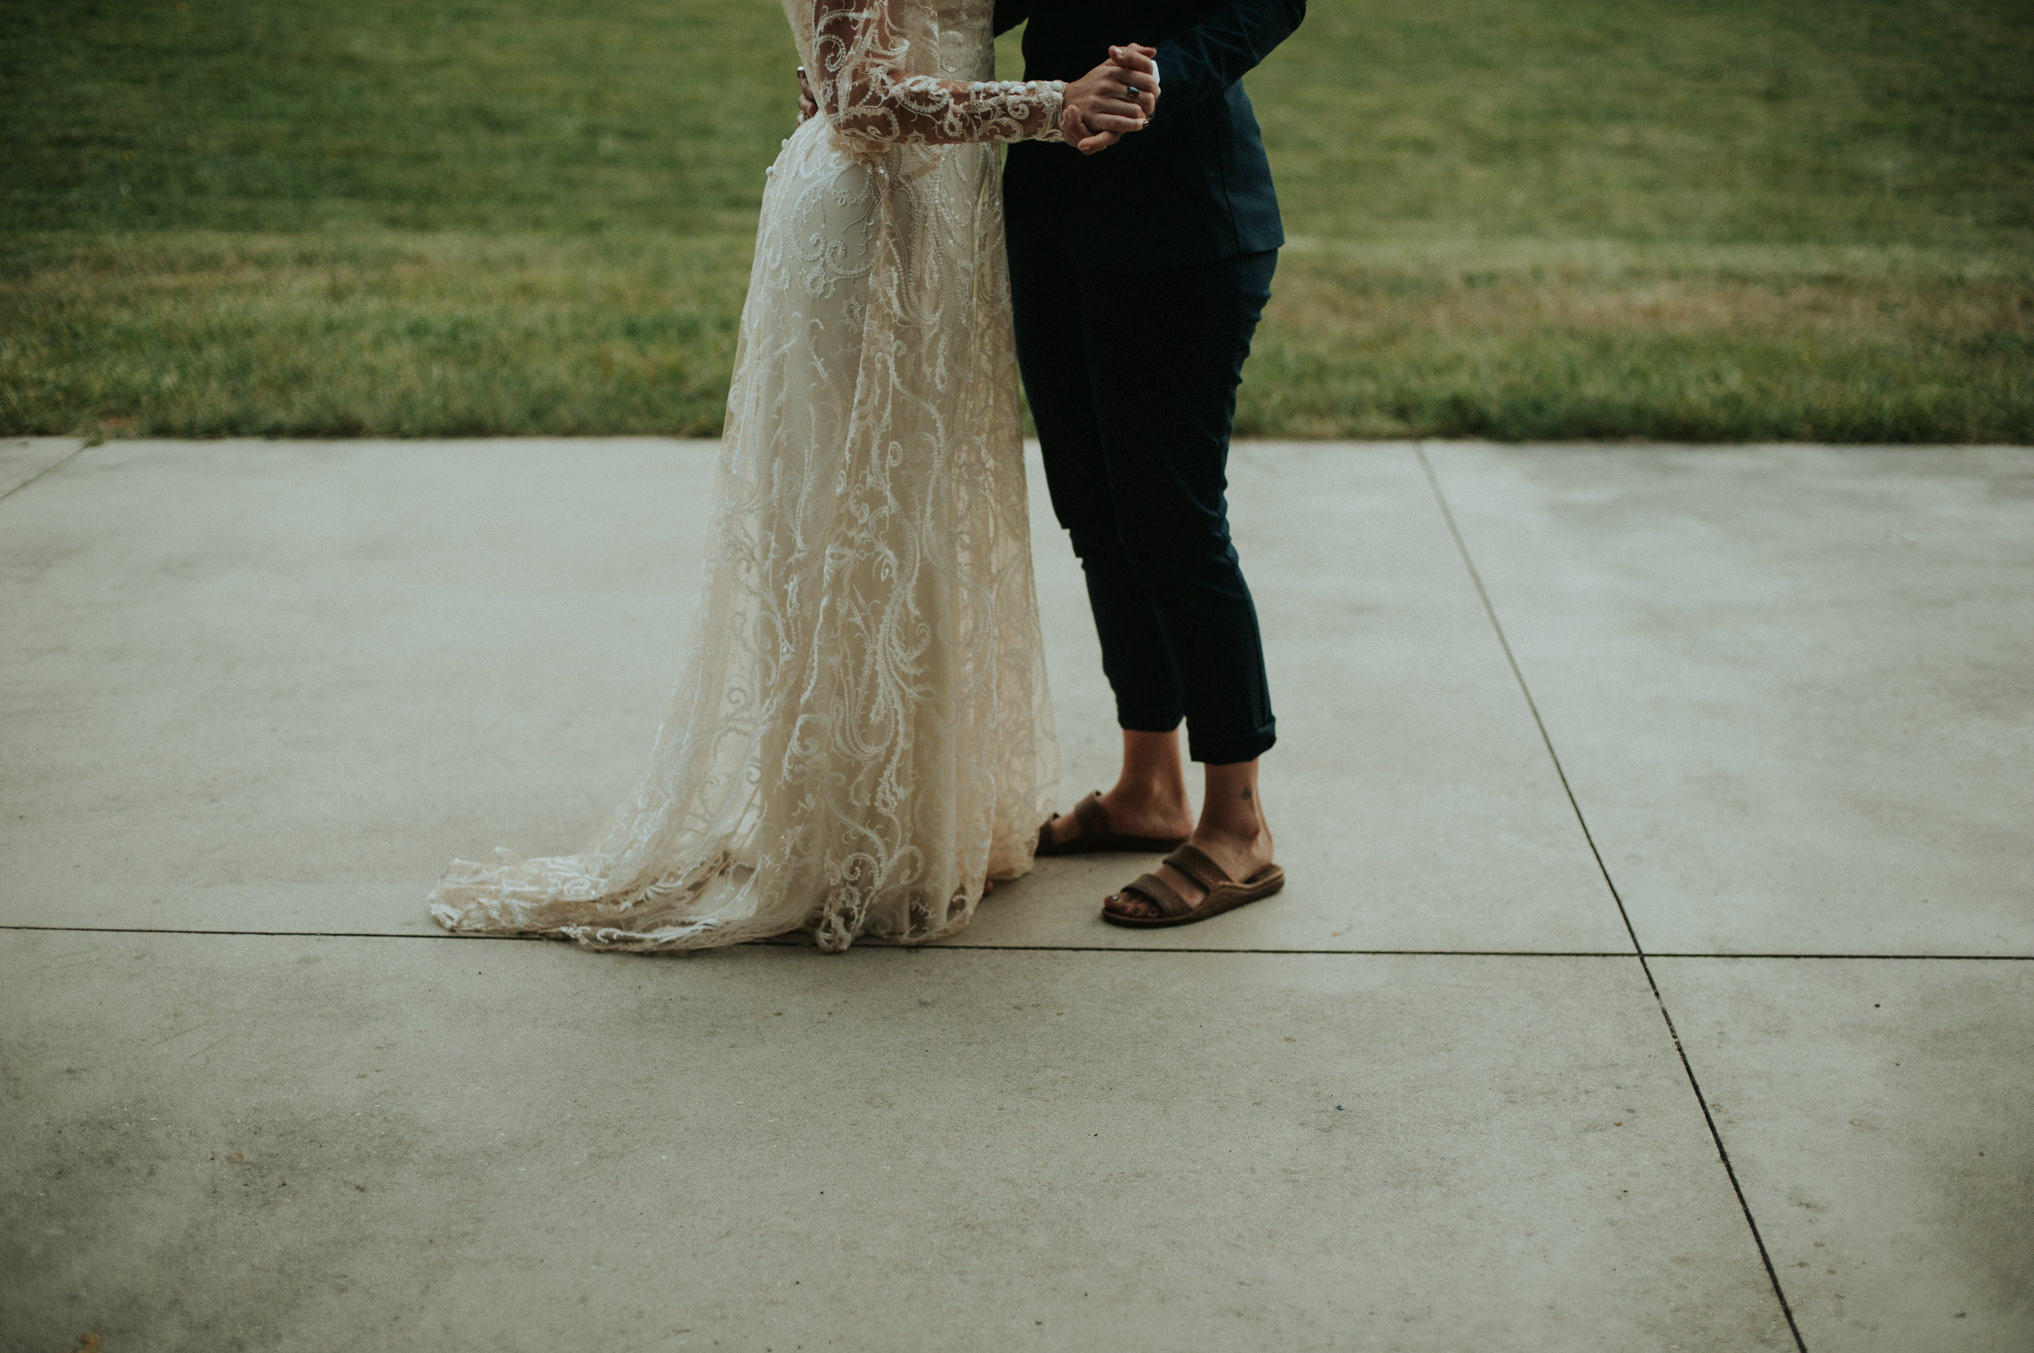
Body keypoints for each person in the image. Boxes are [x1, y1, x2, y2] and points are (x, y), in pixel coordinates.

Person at [429, 0, 1159, 952]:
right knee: (854, 524)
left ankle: (908, 820)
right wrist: (1051, 105)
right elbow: (860, 99)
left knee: (915, 523)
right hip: (873, 221)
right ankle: (845, 836)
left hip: (938, 213)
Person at [997, 0, 1304, 926]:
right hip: (1052, 208)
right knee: (1096, 515)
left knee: (1173, 526)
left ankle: (1238, 824)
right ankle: (1149, 787)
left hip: (1183, 221)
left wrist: (1165, 73)